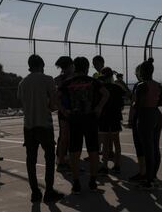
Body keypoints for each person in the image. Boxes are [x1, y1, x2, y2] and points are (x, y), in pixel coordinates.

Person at [17, 55, 64, 203]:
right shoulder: (47, 79)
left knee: (31, 160)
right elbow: (54, 103)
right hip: (44, 124)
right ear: (41, 65)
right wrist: (51, 106)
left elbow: (21, 101)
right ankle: (49, 192)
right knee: (49, 159)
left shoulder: (22, 83)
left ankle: (35, 192)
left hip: (29, 126)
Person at [59, 57, 109, 194]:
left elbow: (56, 98)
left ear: (75, 67)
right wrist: (98, 107)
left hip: (74, 119)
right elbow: (106, 94)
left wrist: (64, 111)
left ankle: (76, 183)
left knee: (74, 151)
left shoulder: (67, 82)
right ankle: (93, 181)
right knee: (93, 150)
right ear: (87, 68)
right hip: (90, 118)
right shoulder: (93, 82)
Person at [135, 58, 162, 189]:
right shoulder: (158, 85)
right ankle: (153, 176)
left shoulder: (141, 86)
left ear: (142, 72)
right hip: (157, 114)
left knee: (148, 149)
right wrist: (153, 103)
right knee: (155, 147)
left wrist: (134, 105)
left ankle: (149, 181)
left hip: (145, 116)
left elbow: (139, 104)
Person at [98, 67, 125, 175]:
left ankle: (104, 166)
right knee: (116, 142)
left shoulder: (100, 88)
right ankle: (117, 165)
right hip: (115, 116)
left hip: (104, 117)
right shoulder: (117, 88)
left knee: (105, 143)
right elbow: (122, 104)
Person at [54, 56, 74, 172]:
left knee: (66, 136)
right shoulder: (60, 80)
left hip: (68, 111)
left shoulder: (59, 79)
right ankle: (62, 161)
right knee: (65, 136)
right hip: (65, 111)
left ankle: (66, 160)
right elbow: (57, 98)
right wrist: (63, 110)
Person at [128, 65, 146, 182]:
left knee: (139, 146)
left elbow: (134, 104)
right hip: (152, 117)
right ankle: (150, 173)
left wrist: (130, 120)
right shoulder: (155, 84)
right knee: (150, 146)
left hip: (139, 118)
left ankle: (142, 172)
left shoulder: (138, 86)